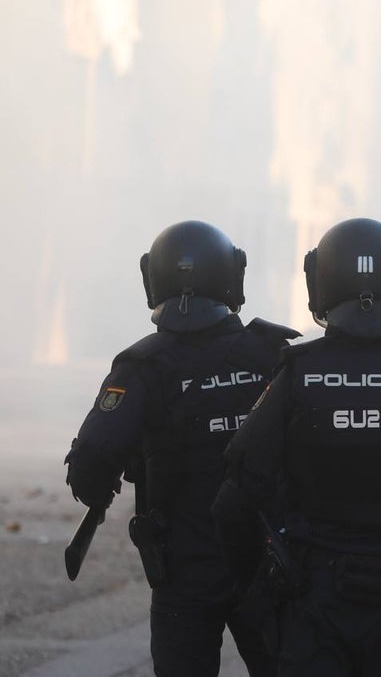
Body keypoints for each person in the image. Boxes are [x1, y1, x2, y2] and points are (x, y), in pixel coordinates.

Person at [211, 218, 381, 677]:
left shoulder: (299, 373)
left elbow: (232, 505)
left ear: (320, 280)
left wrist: (259, 591)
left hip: (312, 594)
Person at [65, 220, 299, 677]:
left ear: (153, 279)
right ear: (232, 277)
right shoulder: (275, 354)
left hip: (185, 572)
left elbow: (89, 469)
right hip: (270, 566)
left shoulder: (142, 365)